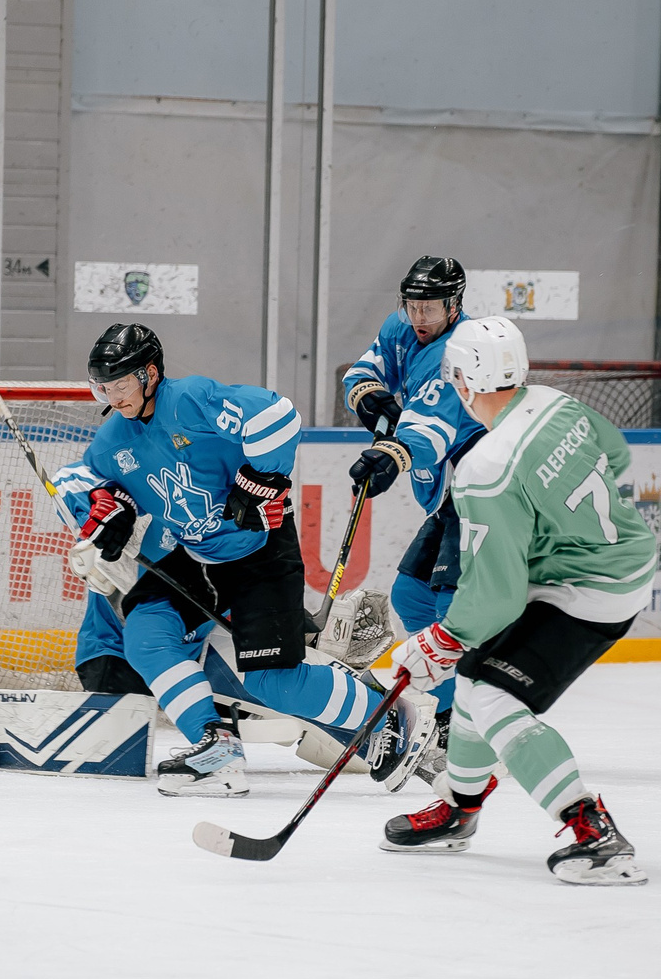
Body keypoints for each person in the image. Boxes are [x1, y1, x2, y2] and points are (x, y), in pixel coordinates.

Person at [54, 323, 435, 797]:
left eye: (121, 384)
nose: (112, 397)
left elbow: (277, 415)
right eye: (103, 388)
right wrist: (103, 507)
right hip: (194, 556)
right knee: (146, 636)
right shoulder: (116, 436)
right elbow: (74, 478)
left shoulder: (189, 400)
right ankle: (217, 747)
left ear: (150, 374)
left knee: (273, 683)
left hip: (261, 550)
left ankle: (389, 717)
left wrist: (264, 478)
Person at [380, 317, 654, 885]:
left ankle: (592, 830)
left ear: (463, 379)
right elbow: (616, 454)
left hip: (587, 590)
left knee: (491, 693)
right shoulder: (557, 403)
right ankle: (459, 809)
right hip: (620, 560)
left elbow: (498, 592)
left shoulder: (486, 467)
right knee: (475, 679)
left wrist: (442, 640)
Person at [340, 256, 487, 765]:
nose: (419, 316)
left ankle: (475, 725)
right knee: (412, 594)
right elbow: (364, 369)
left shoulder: (462, 350)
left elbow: (431, 429)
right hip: (449, 495)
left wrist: (392, 453)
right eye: (412, 305)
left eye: (431, 307)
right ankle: (444, 716)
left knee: (452, 607)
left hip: (483, 489)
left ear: (455, 305)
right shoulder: (400, 327)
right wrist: (368, 396)